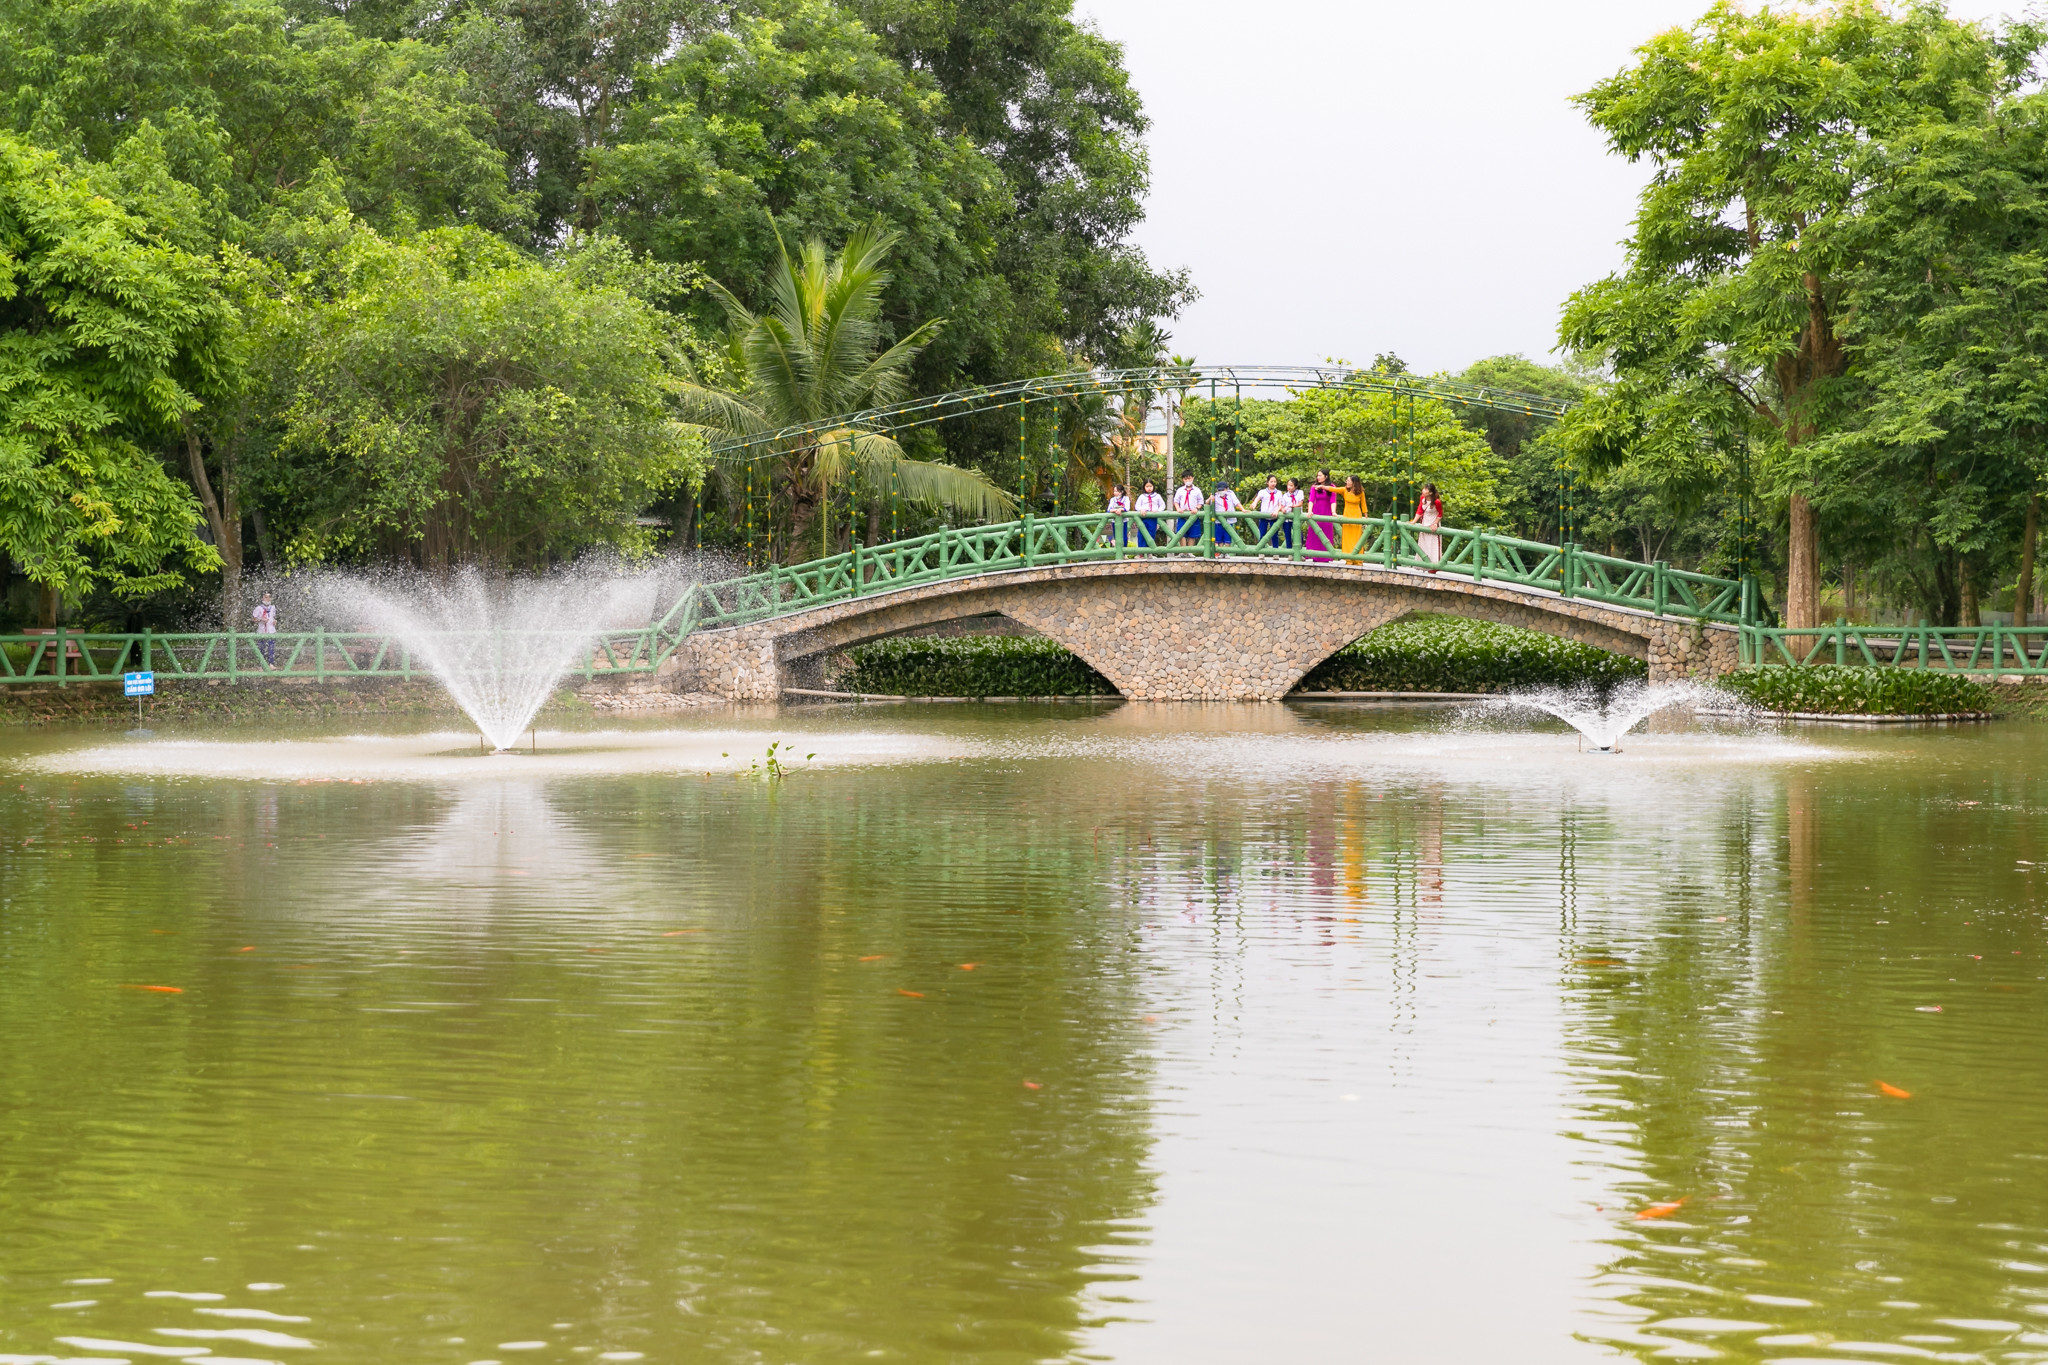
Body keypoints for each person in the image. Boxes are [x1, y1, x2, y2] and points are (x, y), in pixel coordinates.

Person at [1305, 469, 1337, 562]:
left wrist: (1333, 511)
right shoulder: (1314, 487)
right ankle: (1313, 555)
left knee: (1326, 532)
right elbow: (1311, 500)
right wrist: (1309, 511)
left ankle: (1326, 556)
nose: (1318, 477)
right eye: (1317, 475)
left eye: (1320, 475)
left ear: (1326, 476)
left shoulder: (1332, 487)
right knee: (1315, 532)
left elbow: (1333, 501)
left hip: (1327, 511)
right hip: (1317, 510)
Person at [1252, 475, 1287, 551]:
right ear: (1267, 482)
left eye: (1275, 482)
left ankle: (1275, 551)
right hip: (1264, 515)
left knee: (1274, 534)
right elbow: (1258, 498)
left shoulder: (1279, 493)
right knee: (1262, 533)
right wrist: (1254, 503)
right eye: (1271, 481)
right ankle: (1261, 551)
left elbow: (1280, 504)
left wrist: (1277, 511)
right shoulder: (1263, 492)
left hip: (1273, 516)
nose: (1273, 483)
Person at [1339, 475, 1370, 560]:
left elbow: (1364, 505)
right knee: (1347, 537)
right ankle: (1348, 558)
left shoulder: (1360, 492)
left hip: (1356, 514)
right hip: (1347, 514)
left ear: (1353, 483)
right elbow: (1333, 489)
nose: (1346, 482)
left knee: (1356, 537)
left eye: (1348, 481)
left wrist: (1366, 516)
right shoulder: (1345, 490)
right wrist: (1322, 486)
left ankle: (1358, 559)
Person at [1416, 482, 1445, 572]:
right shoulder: (1422, 499)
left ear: (1430, 493)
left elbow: (1440, 514)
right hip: (1424, 523)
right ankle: (1422, 565)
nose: (1423, 490)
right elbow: (1420, 510)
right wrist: (1413, 521)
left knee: (1433, 545)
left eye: (1425, 489)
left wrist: (1435, 523)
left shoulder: (1437, 502)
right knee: (1423, 544)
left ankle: (1433, 567)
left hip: (1433, 524)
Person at [1172, 473, 1205, 546]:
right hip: (1182, 514)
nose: (1187, 480)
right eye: (1185, 479)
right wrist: (1178, 508)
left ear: (1193, 478)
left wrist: (1197, 508)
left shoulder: (1197, 490)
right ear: (1183, 480)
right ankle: (1183, 551)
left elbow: (1200, 502)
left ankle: (1190, 551)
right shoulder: (1180, 490)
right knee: (1181, 533)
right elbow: (1176, 501)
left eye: (1189, 478)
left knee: (1192, 534)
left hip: (1193, 514)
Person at [1133, 479, 1166, 549]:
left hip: (1153, 518)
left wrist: (1158, 510)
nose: (1149, 488)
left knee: (1151, 533)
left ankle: (1150, 551)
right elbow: (1137, 506)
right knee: (1142, 534)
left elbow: (1162, 505)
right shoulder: (1142, 497)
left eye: (1150, 486)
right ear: (1144, 487)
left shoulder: (1157, 496)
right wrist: (1141, 509)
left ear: (1153, 486)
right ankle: (1141, 552)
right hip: (1143, 517)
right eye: (1147, 486)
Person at [1211, 480, 1243, 546]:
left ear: (1226, 489)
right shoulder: (1215, 496)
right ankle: (1220, 552)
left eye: (1223, 489)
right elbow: (1210, 505)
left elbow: (1236, 502)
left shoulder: (1230, 494)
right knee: (1218, 538)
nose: (1221, 491)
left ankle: (1226, 552)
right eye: (1219, 490)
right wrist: (1210, 498)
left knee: (1228, 538)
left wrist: (1243, 509)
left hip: (1229, 520)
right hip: (1218, 520)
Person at [251, 592, 278, 667]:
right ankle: (261, 665)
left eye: (269, 597)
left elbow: (273, 617)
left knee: (271, 648)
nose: (268, 599)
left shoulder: (273, 607)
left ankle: (271, 664)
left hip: (271, 631)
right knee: (261, 648)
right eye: (266, 597)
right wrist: (261, 619)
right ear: (262, 598)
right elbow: (254, 619)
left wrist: (274, 621)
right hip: (262, 631)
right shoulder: (258, 608)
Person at [1106, 482, 1130, 546]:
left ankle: (1124, 553)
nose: (1115, 493)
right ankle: (1118, 552)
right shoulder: (1112, 500)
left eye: (1117, 491)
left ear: (1121, 492)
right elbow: (1108, 510)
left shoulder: (1126, 498)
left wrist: (1120, 509)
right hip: (1114, 521)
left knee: (1124, 537)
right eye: (1114, 491)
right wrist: (1115, 510)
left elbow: (1127, 508)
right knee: (1116, 537)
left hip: (1124, 520)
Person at [1283, 477, 1305, 550]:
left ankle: (1299, 551)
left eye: (1291, 485)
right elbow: (1282, 506)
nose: (1289, 487)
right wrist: (1283, 509)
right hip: (1287, 518)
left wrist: (1291, 506)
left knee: (1299, 535)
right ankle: (1289, 552)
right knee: (1287, 535)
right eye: (1288, 485)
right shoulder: (1285, 495)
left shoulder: (1300, 492)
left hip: (1297, 517)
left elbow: (1300, 503)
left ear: (1295, 486)